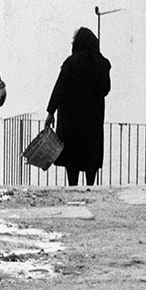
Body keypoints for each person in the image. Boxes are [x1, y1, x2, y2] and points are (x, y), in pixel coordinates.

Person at [45, 27, 111, 186]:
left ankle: (73, 186)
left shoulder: (71, 62)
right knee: (91, 154)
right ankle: (90, 186)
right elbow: (106, 90)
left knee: (72, 156)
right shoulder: (102, 63)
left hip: (71, 119)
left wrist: (50, 112)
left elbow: (59, 88)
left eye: (74, 40)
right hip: (93, 119)